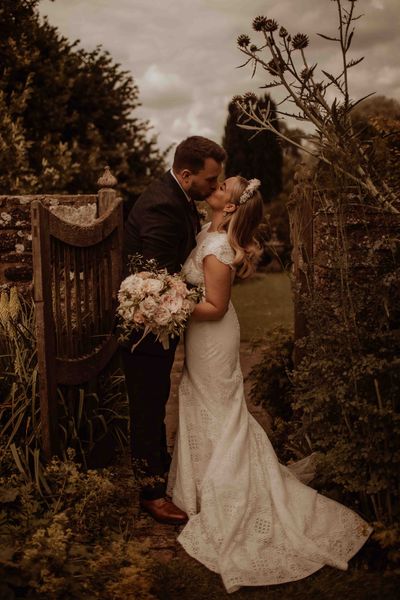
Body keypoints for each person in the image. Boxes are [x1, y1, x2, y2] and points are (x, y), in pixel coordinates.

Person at [167, 176, 372, 593]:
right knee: (203, 402)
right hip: (202, 336)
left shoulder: (219, 248)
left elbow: (215, 306)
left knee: (220, 409)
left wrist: (170, 306)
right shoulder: (205, 231)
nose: (215, 185)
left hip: (212, 335)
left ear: (230, 204)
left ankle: (227, 488)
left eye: (223, 185)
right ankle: (201, 482)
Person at [122, 136, 226, 525]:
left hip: (158, 323)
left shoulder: (179, 198)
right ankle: (150, 493)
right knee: (147, 407)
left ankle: (159, 468)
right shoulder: (163, 205)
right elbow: (156, 277)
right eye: (210, 181)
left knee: (156, 398)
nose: (215, 188)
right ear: (186, 175)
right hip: (144, 327)